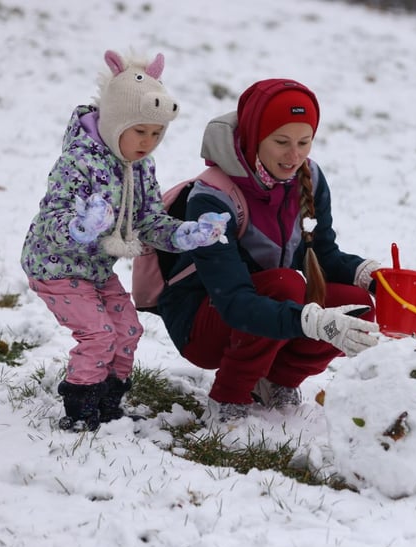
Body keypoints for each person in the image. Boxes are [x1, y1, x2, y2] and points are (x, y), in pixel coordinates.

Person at [21, 49, 229, 432]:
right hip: (55, 266)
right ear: (116, 122)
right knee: (98, 334)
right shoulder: (78, 162)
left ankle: (108, 403)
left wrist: (187, 233)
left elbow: (148, 220)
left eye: (157, 133)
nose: (149, 142)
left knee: (128, 329)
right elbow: (52, 218)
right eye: (140, 131)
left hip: (96, 269)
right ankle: (81, 408)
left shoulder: (140, 165)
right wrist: (81, 226)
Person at [157, 78, 383, 423]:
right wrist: (311, 322)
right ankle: (228, 399)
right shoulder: (212, 197)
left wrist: (375, 278)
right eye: (281, 142)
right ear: (254, 136)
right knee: (284, 284)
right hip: (204, 323)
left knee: (357, 305)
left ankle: (276, 381)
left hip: (269, 308)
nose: (294, 156)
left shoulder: (309, 178)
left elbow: (322, 255)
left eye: (304, 142)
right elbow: (234, 300)